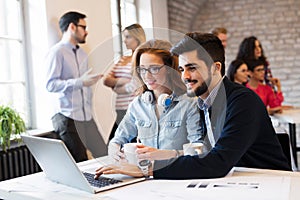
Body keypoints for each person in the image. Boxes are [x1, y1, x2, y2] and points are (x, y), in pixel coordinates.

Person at [95, 33, 291, 179]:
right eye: (181, 69)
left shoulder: (242, 102)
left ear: (216, 68)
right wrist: (158, 155)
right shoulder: (204, 103)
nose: (184, 76)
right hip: (235, 181)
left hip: (270, 184)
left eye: (192, 68)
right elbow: (203, 152)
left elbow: (218, 162)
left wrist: (147, 168)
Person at [108, 39, 205, 162]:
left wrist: (167, 154)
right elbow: (116, 140)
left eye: (154, 69)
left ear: (170, 69)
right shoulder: (137, 104)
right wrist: (115, 150)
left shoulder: (189, 103)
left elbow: (198, 150)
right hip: (145, 173)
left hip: (176, 174)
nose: (147, 76)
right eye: (142, 69)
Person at [45, 11, 107, 162]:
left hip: (86, 115)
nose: (87, 32)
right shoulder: (57, 52)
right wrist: (80, 82)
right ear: (72, 27)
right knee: (80, 161)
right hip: (67, 116)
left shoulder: (82, 54)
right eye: (83, 27)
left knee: (105, 155)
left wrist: (88, 81)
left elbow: (83, 83)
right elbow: (50, 84)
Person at [103, 24, 146, 140]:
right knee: (116, 145)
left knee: (118, 144)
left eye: (127, 37)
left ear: (137, 38)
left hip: (133, 109)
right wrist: (123, 80)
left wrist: (117, 88)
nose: (124, 41)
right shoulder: (123, 59)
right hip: (120, 110)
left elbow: (136, 84)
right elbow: (106, 80)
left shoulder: (142, 58)